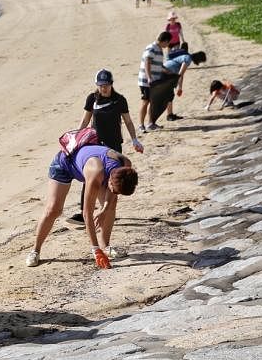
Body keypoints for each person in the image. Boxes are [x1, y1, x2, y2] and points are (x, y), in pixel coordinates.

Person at [25, 145, 138, 269]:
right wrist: (95, 251)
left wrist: (104, 210)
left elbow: (113, 193)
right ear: (109, 180)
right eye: (114, 190)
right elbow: (86, 213)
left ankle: (105, 247)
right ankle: (35, 250)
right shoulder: (96, 173)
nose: (114, 193)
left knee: (111, 206)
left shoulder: (125, 165)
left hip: (92, 165)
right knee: (54, 210)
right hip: (64, 165)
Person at [66, 69, 144, 225]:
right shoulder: (92, 99)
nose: (104, 88)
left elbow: (128, 121)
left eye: (106, 85)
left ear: (111, 84)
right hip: (95, 144)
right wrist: (76, 140)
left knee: (113, 179)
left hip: (114, 146)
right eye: (101, 85)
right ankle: (84, 214)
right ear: (97, 85)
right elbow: (84, 122)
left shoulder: (120, 100)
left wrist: (135, 139)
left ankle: (108, 211)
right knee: (90, 178)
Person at [152, 50, 208, 124]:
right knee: (168, 95)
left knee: (170, 95)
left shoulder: (187, 56)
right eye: (201, 61)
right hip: (166, 73)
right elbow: (180, 74)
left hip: (166, 72)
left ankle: (170, 114)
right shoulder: (187, 59)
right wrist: (180, 88)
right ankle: (167, 116)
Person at [138, 31, 172, 132]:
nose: (168, 45)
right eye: (168, 42)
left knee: (153, 103)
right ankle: (141, 125)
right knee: (145, 102)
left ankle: (150, 124)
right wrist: (149, 78)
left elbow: (158, 65)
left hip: (154, 81)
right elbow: (147, 62)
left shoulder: (159, 49)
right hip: (146, 81)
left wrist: (168, 71)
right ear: (165, 41)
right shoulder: (152, 47)